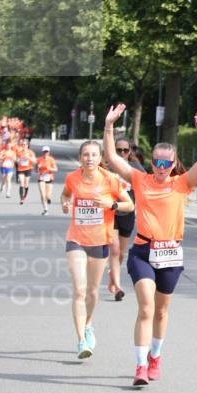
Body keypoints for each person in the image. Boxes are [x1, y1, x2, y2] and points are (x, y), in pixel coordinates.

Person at [103, 102, 197, 385]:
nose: (162, 167)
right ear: (151, 161)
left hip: (171, 254)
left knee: (162, 310)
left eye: (167, 163)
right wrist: (108, 126)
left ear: (173, 163)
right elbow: (113, 159)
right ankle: (140, 367)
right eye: (157, 162)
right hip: (142, 251)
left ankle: (155, 356)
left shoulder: (181, 184)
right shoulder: (141, 180)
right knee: (146, 308)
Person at [60, 140, 134, 358]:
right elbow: (65, 194)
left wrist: (111, 205)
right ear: (80, 157)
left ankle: (89, 323)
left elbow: (130, 205)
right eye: (85, 155)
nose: (89, 158)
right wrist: (64, 203)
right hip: (76, 240)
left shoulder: (110, 179)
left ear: (100, 158)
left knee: (92, 291)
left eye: (93, 155)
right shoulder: (72, 178)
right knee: (79, 290)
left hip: (100, 241)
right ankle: (82, 341)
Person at [107, 137, 144, 301]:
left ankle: (112, 274)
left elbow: (145, 186)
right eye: (118, 150)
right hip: (111, 212)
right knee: (114, 250)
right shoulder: (108, 168)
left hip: (128, 213)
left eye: (125, 150)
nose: (122, 153)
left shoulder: (135, 168)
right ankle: (117, 287)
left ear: (130, 152)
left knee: (121, 253)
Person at [36, 146, 58, 214]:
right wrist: (38, 167)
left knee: (48, 196)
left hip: (49, 178)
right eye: (44, 152)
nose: (45, 153)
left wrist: (49, 169)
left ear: (48, 152)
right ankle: (45, 209)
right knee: (42, 194)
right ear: (42, 152)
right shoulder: (39, 159)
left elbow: (56, 169)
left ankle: (48, 199)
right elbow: (36, 170)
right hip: (41, 178)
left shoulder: (51, 159)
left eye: (47, 152)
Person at [16, 138, 36, 204]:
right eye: (23, 144)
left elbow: (34, 161)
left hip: (28, 169)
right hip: (20, 169)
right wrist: (19, 160)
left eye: (25, 144)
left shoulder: (30, 152)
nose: (24, 146)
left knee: (26, 185)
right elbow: (17, 161)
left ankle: (25, 196)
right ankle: (21, 199)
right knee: (21, 183)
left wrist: (28, 157)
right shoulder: (19, 152)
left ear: (27, 145)